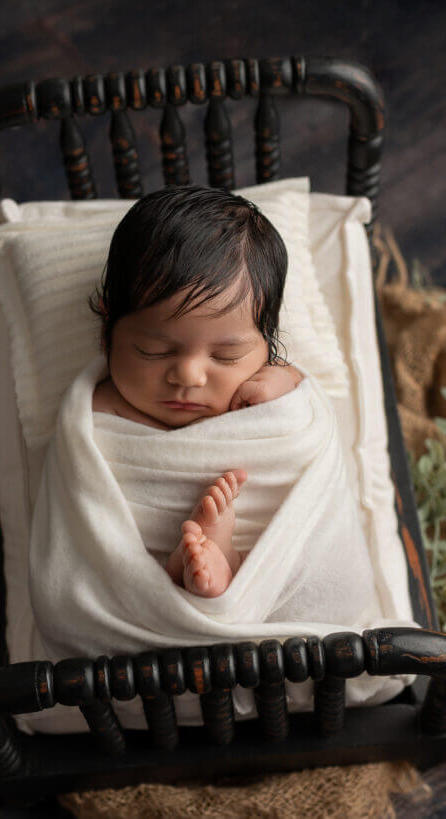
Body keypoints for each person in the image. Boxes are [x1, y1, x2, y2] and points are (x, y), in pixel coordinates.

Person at [89, 185, 303, 598]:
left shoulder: (259, 388)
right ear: (106, 329)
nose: (188, 376)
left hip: (264, 565)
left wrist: (285, 380)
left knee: (277, 557)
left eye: (226, 355)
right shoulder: (102, 408)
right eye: (153, 350)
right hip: (134, 585)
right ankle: (184, 569)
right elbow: (85, 518)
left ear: (267, 343)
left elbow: (305, 423)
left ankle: (223, 560)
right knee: (133, 576)